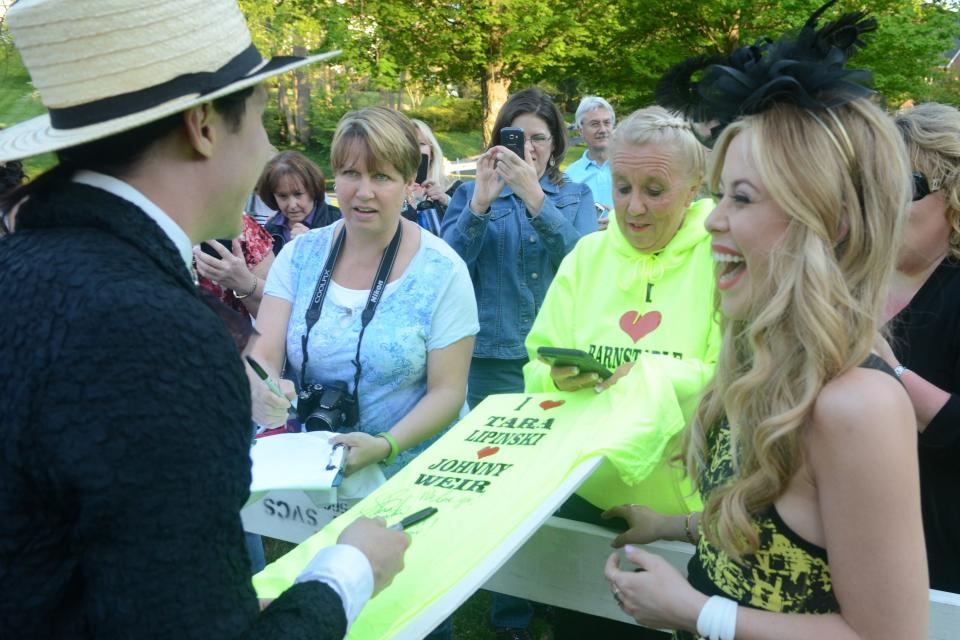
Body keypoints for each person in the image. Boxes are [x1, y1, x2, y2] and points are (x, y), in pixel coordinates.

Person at [0, 1, 408, 638]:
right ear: (204, 127)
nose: (270, 147)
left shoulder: (20, 264)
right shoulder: (156, 331)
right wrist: (350, 570)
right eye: (261, 117)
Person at [603, 8, 928, 639]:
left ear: (827, 222)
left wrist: (695, 612)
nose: (712, 220)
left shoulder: (857, 404)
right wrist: (672, 527)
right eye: (718, 193)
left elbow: (890, 636)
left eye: (742, 198)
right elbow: (784, 532)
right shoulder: (766, 366)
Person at [247, 106, 477, 479]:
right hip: (317, 467)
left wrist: (386, 444)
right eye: (351, 173)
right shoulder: (299, 256)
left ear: (409, 184)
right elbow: (263, 351)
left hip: (412, 472)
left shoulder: (443, 271)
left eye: (381, 176)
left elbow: (448, 392)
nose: (363, 192)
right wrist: (267, 384)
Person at [441, 86, 597, 638]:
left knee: (564, 486)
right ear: (497, 141)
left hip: (562, 361)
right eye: (517, 137)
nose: (527, 148)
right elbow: (447, 271)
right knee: (502, 490)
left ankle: (565, 599)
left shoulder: (574, 196)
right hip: (494, 362)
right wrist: (481, 204)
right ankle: (511, 615)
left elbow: (587, 264)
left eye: (538, 138)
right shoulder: (468, 194)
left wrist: (537, 199)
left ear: (555, 145)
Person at [525, 105, 718, 520]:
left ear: (693, 189)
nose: (633, 209)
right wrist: (555, 378)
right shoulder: (586, 257)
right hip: (580, 492)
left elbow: (734, 377)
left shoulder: (722, 260)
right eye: (622, 187)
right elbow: (536, 362)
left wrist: (648, 375)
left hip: (687, 510)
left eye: (654, 190)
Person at [872, 102, 960, 594]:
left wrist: (892, 371)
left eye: (905, 187)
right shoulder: (848, 283)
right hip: (847, 550)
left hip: (939, 565)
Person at [258, 150, 342, 255]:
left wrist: (313, 243)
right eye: (283, 196)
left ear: (313, 189)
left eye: (298, 194)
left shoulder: (338, 221)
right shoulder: (270, 230)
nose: (292, 205)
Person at [194, 213, 275, 320]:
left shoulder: (240, 225)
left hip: (228, 332)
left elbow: (272, 314)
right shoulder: (166, 226)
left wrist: (243, 283)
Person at [565, 96, 616, 215]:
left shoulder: (631, 168)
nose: (603, 129)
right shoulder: (569, 177)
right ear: (580, 130)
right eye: (595, 124)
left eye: (607, 123)